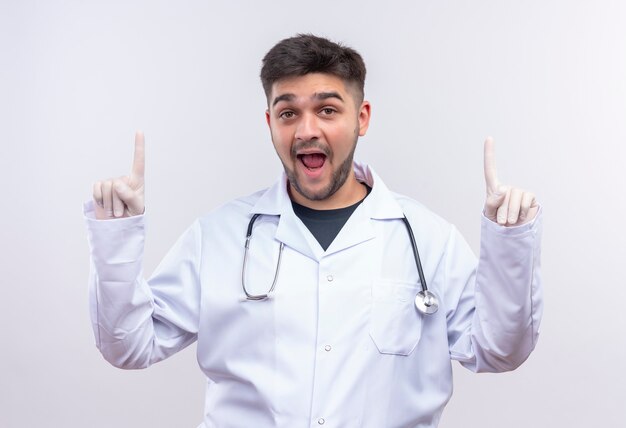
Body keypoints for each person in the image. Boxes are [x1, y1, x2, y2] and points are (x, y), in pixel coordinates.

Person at [85, 34, 543, 428]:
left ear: (361, 118)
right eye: (288, 113)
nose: (307, 130)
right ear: (270, 122)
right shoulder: (218, 236)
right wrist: (116, 236)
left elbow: (500, 350)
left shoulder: (427, 239)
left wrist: (510, 245)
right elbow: (130, 345)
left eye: (327, 110)